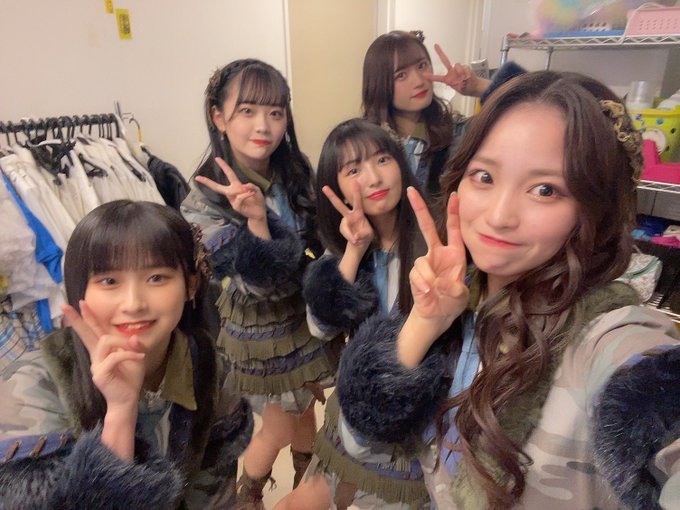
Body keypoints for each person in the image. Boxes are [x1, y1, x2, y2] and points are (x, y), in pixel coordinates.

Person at [337, 70, 680, 509]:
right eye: (484, 176)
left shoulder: (605, 341)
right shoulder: (459, 302)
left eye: (545, 189)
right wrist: (424, 322)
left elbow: (653, 396)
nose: (499, 216)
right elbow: (360, 441)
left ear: (594, 209)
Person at [0, 200, 253, 509]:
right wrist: (120, 412)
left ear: (190, 285)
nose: (133, 303)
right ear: (80, 291)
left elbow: (212, 496)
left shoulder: (211, 372)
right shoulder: (28, 387)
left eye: (156, 277)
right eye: (109, 281)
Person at [181, 59, 342, 508]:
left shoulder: (293, 171)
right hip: (257, 331)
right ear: (219, 116)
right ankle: (248, 497)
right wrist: (256, 221)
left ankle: (303, 484)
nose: (263, 126)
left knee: (305, 408)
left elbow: (317, 240)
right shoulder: (203, 199)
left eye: (275, 112)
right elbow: (255, 282)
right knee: (275, 427)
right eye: (247, 110)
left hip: (301, 316)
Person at [274, 119, 429, 510]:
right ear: (337, 185)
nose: (374, 178)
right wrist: (355, 250)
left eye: (382, 159)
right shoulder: (348, 251)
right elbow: (320, 327)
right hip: (354, 410)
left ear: (401, 164)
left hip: (414, 423)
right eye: (354, 170)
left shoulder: (434, 241)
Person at [361, 30, 523, 196]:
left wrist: (477, 87)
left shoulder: (458, 134)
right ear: (379, 85)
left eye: (422, 66)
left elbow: (532, 105)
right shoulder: (362, 144)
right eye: (401, 75)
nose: (419, 81)